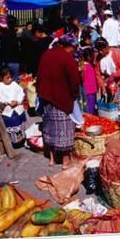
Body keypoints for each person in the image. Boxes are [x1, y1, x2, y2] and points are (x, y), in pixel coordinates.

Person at [36, 34, 81, 167]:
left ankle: (52, 158)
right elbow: (74, 80)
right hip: (61, 99)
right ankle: (65, 161)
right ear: (68, 46)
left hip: (46, 97)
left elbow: (39, 76)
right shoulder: (67, 58)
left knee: (49, 128)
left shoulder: (46, 54)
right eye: (74, 47)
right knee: (64, 129)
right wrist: (74, 96)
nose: (75, 50)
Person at [94, 37, 120, 116]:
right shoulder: (98, 58)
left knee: (117, 108)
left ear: (107, 47)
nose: (100, 52)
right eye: (98, 50)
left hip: (117, 84)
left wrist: (114, 76)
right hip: (106, 85)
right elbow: (98, 74)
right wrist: (102, 87)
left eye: (101, 50)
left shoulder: (117, 53)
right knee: (108, 107)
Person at [0, 67, 27, 147]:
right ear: (1, 78)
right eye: (7, 78)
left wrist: (17, 101)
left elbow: (21, 93)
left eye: (11, 77)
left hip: (17, 106)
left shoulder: (14, 84)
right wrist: (9, 102)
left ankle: (22, 138)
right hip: (7, 110)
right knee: (12, 120)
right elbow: (0, 97)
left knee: (21, 117)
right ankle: (14, 141)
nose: (10, 79)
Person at [81, 47, 98, 115]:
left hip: (90, 90)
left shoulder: (86, 65)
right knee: (89, 108)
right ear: (89, 57)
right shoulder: (85, 67)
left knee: (89, 107)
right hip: (89, 91)